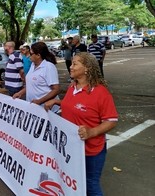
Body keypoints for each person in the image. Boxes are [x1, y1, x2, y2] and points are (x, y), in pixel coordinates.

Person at [44, 52, 118, 196]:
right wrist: (57, 101)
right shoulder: (73, 87)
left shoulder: (100, 93)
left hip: (91, 151)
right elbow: (73, 106)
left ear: (87, 69)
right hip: (71, 149)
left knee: (91, 184)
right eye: (71, 63)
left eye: (75, 64)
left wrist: (91, 132)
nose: (70, 67)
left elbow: (111, 120)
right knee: (74, 182)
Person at [13, 42, 60, 113]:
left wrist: (39, 101)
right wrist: (20, 93)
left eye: (31, 54)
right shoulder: (32, 65)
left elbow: (56, 90)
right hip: (35, 109)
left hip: (47, 110)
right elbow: (31, 85)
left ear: (38, 55)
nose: (29, 56)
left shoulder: (48, 67)